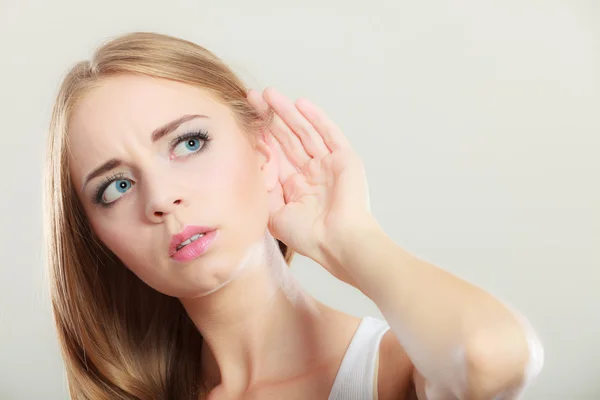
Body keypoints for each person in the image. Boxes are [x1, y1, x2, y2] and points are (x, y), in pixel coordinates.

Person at [44, 32, 543, 400]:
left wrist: (349, 239)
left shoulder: (387, 373)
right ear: (96, 235)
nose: (161, 198)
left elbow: (491, 356)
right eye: (117, 186)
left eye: (188, 143)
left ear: (262, 149)